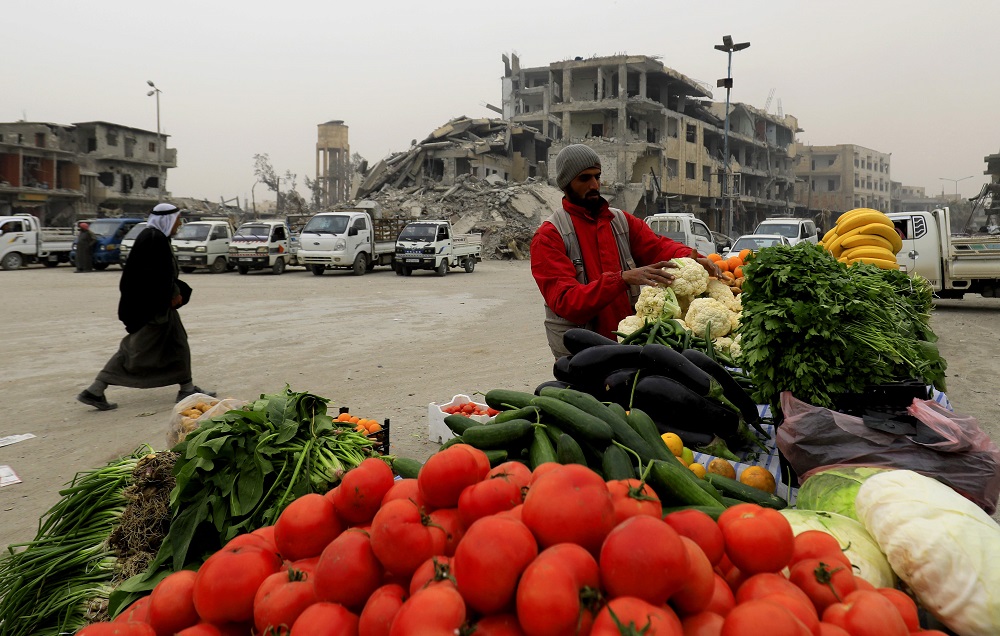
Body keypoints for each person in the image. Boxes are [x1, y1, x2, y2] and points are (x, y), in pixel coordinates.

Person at [530, 144, 721, 358]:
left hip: (627, 344)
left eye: (597, 176)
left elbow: (658, 247)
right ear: (566, 184)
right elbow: (567, 302)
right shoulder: (549, 236)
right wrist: (622, 279)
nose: (594, 185)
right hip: (582, 357)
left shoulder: (620, 221)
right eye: (584, 178)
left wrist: (693, 259)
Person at [77, 203, 216, 411]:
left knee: (178, 343)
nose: (179, 224)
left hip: (159, 305)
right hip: (151, 307)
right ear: (166, 219)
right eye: (177, 219)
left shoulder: (157, 237)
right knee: (134, 349)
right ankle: (96, 389)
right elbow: (153, 276)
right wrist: (172, 295)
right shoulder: (153, 239)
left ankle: (186, 388)